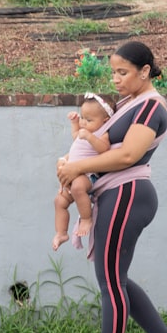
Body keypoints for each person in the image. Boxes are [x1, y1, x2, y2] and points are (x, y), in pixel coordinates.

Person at [55, 41, 167, 333]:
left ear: (145, 71)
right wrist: (69, 163)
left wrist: (78, 168)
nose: (115, 79)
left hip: (128, 194)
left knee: (110, 282)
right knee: (114, 279)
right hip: (119, 195)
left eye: (123, 72)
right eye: (113, 72)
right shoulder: (130, 105)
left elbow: (129, 155)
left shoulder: (150, 106)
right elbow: (101, 148)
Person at [52, 92, 116, 251]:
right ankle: (61, 233)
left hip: (87, 176)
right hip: (72, 175)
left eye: (88, 120)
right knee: (59, 201)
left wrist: (89, 137)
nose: (84, 123)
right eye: (82, 117)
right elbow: (76, 137)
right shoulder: (83, 130)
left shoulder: (102, 133)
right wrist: (75, 123)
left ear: (105, 121)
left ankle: (86, 219)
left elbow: (104, 148)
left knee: (77, 188)